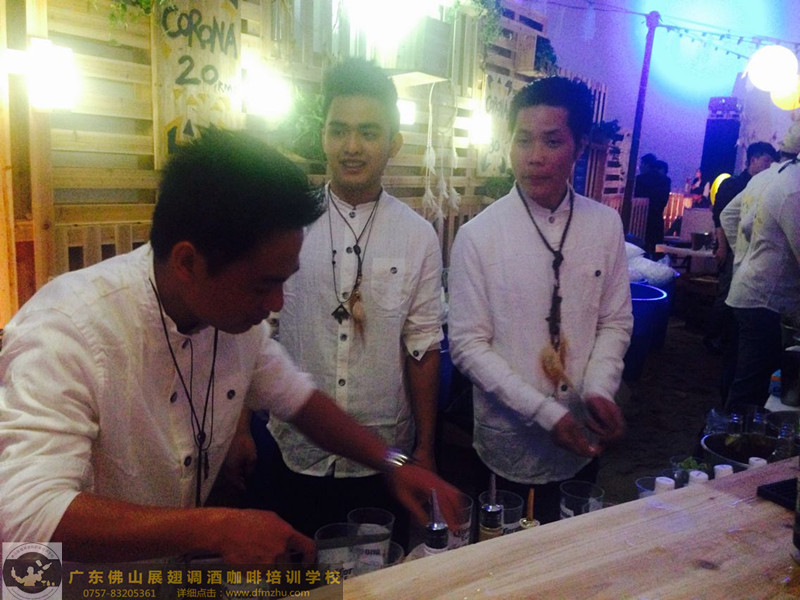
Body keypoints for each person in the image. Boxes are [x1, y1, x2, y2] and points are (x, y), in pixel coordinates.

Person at [0, 128, 461, 563]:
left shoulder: (234, 323)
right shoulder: (67, 330)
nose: (276, 303)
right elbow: (24, 515)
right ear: (187, 262)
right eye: (263, 285)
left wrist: (393, 462)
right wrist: (215, 529)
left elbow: (299, 400)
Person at [261, 58, 444, 549]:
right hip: (297, 447)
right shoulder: (289, 224)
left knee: (376, 574)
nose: (352, 146)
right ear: (322, 136)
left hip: (383, 454)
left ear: (394, 143)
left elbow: (423, 346)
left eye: (368, 132)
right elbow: (257, 334)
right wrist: (238, 432)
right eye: (338, 130)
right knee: (298, 573)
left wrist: (426, 447)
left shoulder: (418, 236)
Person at [447, 77, 632, 525]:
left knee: (574, 548)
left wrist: (599, 389)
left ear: (579, 146)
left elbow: (614, 321)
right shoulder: (478, 236)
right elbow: (467, 346)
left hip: (583, 436)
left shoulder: (604, 225)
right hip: (507, 442)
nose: (534, 157)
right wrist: (545, 413)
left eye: (552, 141)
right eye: (522, 140)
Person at [723, 131, 800, 412]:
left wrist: (743, 255)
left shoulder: (769, 177)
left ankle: (726, 425)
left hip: (751, 290)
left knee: (743, 378)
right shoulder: (794, 188)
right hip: (766, 300)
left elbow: (734, 219)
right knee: (750, 390)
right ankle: (727, 434)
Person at [704, 142, 776, 399]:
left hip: (748, 251)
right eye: (766, 160)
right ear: (753, 159)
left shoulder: (765, 183)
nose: (769, 165)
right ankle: (712, 337)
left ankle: (726, 338)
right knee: (725, 294)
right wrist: (725, 247)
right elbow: (722, 217)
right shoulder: (734, 184)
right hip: (734, 248)